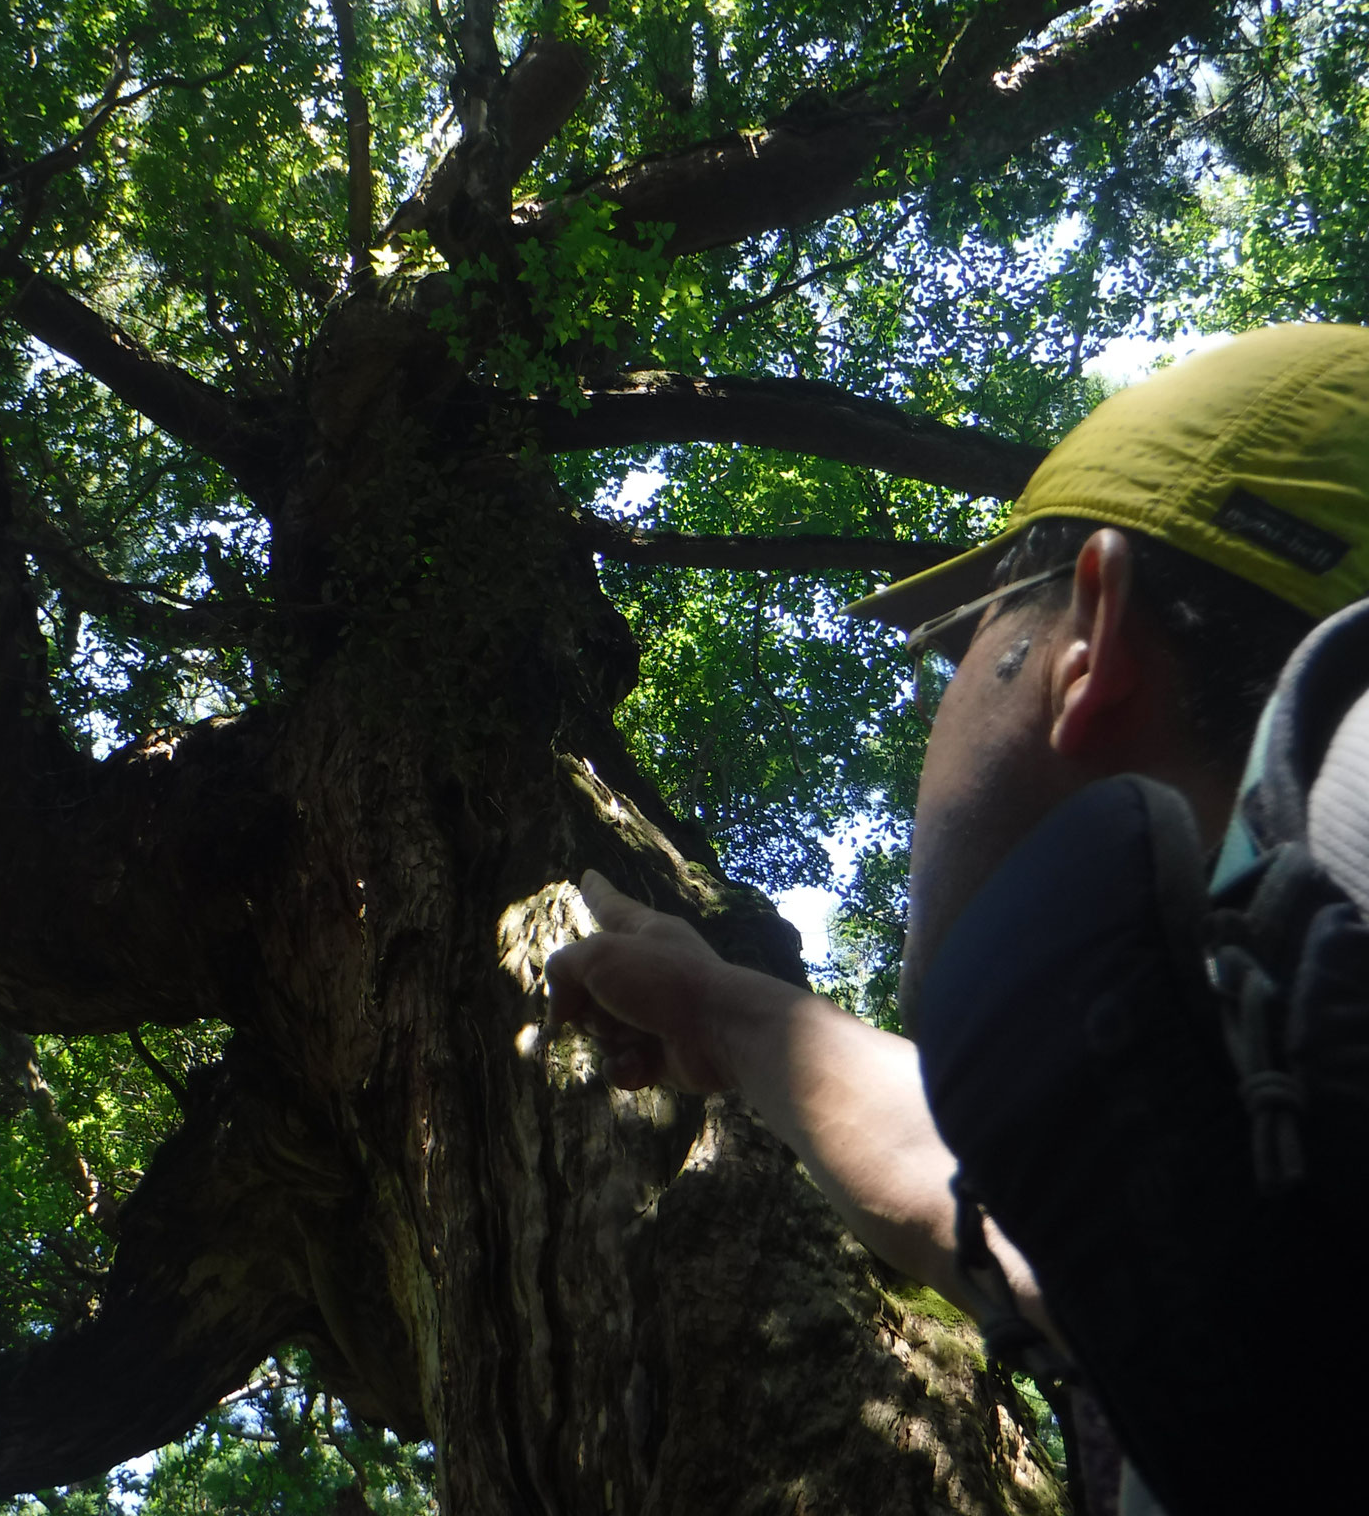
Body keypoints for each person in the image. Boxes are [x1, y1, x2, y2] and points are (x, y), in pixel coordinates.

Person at [543, 323, 1369, 1515]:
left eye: (957, 644)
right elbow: (1101, 1225)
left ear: (1089, 645)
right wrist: (724, 1016)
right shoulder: (1270, 1117)